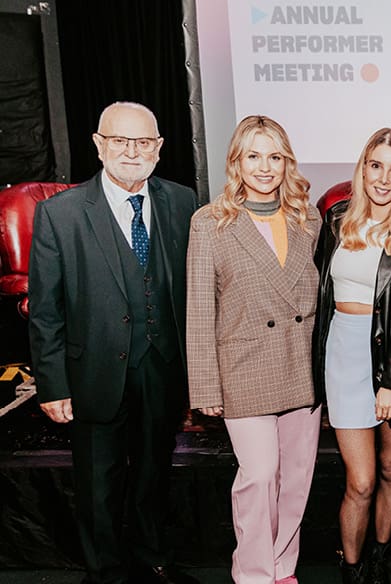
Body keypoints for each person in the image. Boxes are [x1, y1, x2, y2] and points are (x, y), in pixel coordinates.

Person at [28, 101, 199, 584]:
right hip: (92, 373)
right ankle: (105, 571)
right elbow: (45, 310)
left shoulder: (183, 202)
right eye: (120, 141)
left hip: (162, 368)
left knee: (152, 473)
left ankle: (152, 556)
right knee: (99, 482)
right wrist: (52, 384)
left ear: (159, 149)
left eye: (143, 141)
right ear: (99, 145)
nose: (131, 151)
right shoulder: (59, 214)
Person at [186, 115, 322, 584]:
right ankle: (253, 574)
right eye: (253, 155)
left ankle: (283, 567)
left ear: (287, 163)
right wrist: (205, 385)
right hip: (243, 369)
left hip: (302, 368)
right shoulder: (210, 222)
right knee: (260, 476)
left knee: (296, 479)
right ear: (236, 162)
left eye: (274, 156)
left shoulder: (308, 218)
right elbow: (200, 309)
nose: (265, 167)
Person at [311, 128, 391, 584]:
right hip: (344, 352)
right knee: (360, 480)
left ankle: (380, 556)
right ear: (363, 168)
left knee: (390, 466)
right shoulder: (336, 219)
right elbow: (320, 293)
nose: (384, 178)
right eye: (376, 165)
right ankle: (351, 567)